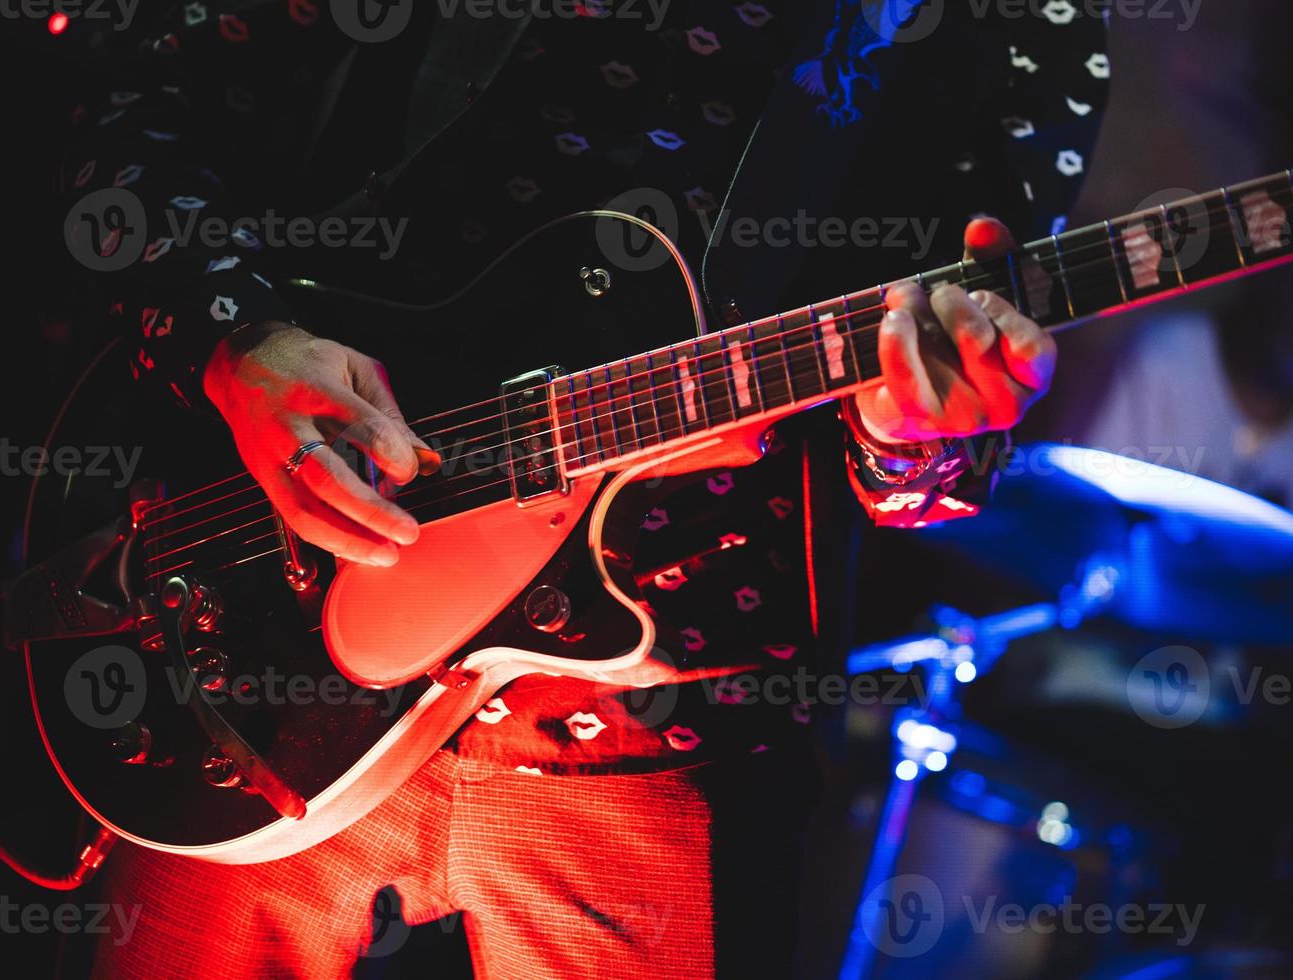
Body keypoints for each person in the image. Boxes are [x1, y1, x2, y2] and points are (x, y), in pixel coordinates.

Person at [58, 1, 1108, 975]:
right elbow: (140, 109)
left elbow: (936, 438)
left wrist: (914, 431)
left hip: (670, 712)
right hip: (256, 630)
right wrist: (233, 340)